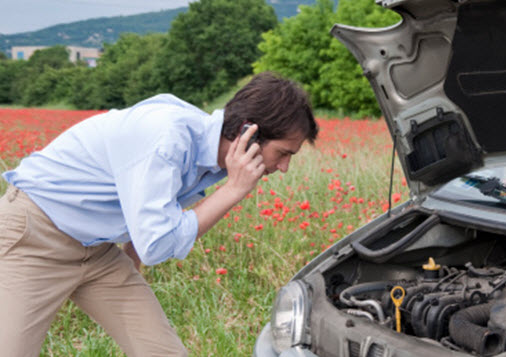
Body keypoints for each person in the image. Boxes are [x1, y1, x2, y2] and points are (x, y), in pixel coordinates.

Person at [0, 72, 318, 356]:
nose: (284, 168)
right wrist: (233, 191)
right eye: (283, 153)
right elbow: (157, 244)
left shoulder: (207, 152)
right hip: (34, 236)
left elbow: (151, 208)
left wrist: (129, 265)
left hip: (95, 250)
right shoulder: (168, 139)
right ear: (247, 134)